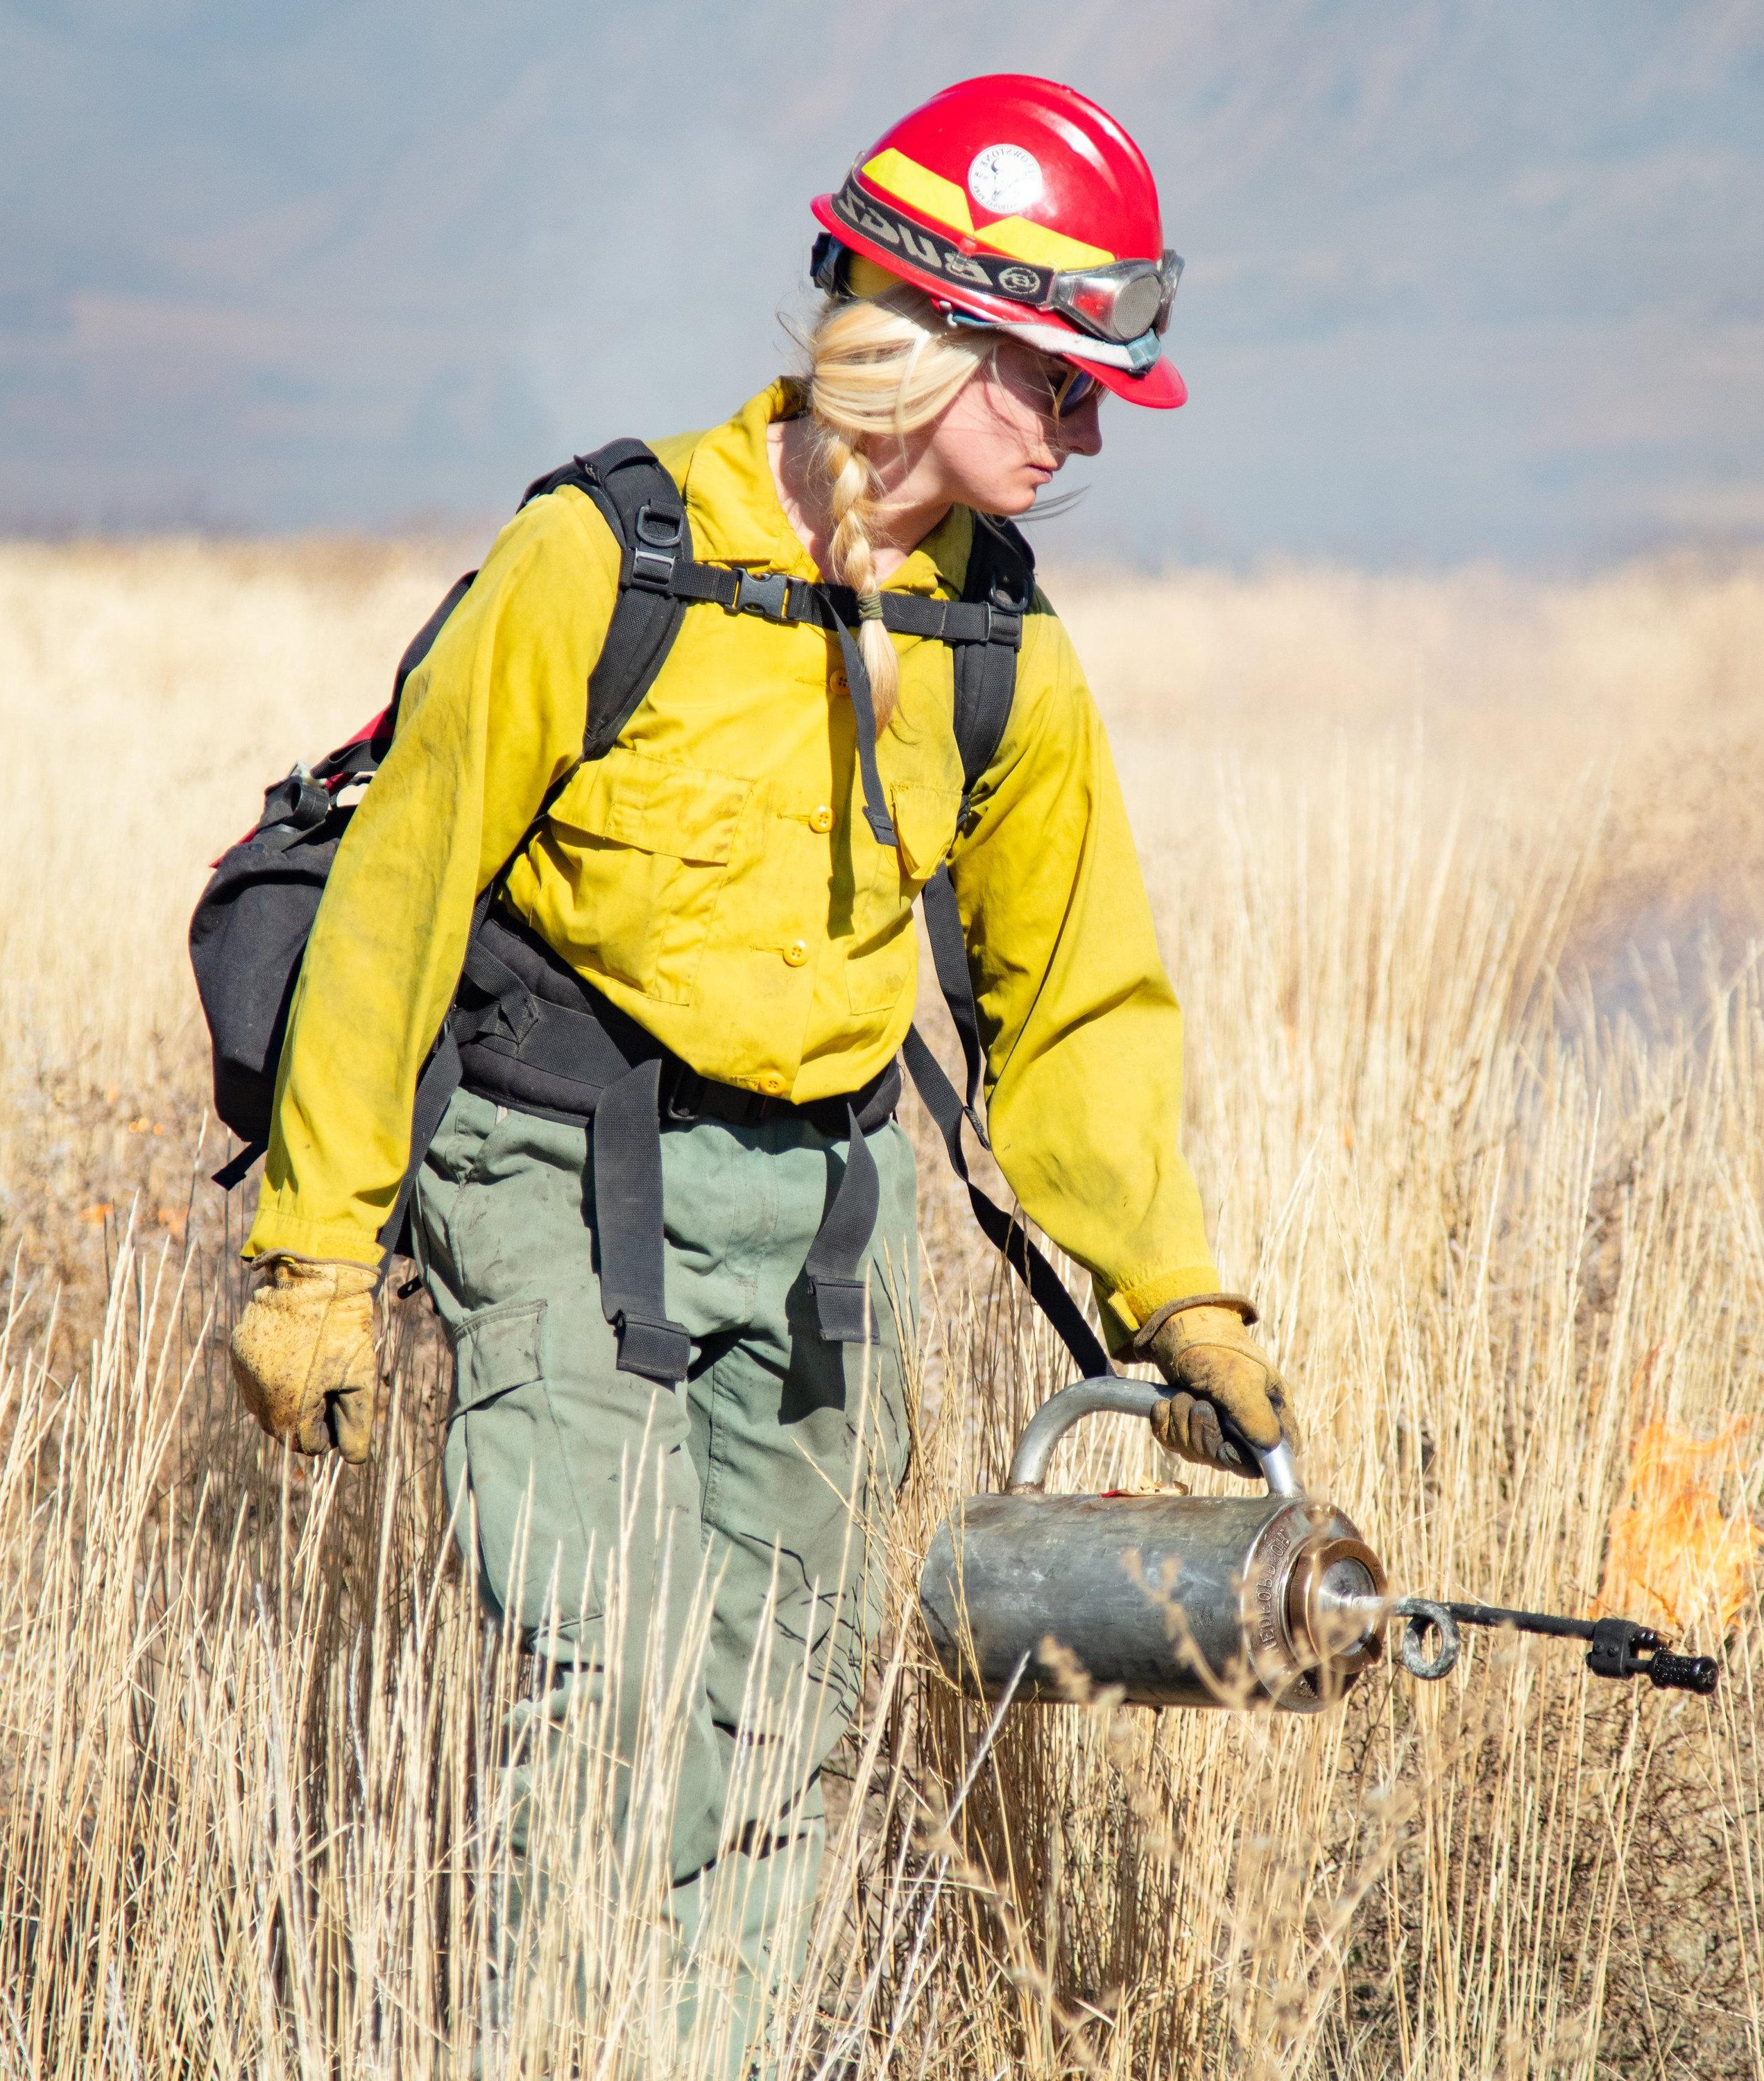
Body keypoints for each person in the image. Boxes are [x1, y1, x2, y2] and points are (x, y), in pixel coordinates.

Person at [223, 74, 1293, 2066]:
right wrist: (314, 1255)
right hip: (558, 1175)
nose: (1078, 432)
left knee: (784, 1698)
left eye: (1091, 395)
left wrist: (1181, 1303)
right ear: (927, 329)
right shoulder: (601, 558)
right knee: (606, 1682)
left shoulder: (1005, 656)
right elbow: (400, 894)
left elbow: (1073, 1004)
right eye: (1052, 381)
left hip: (822, 1215)